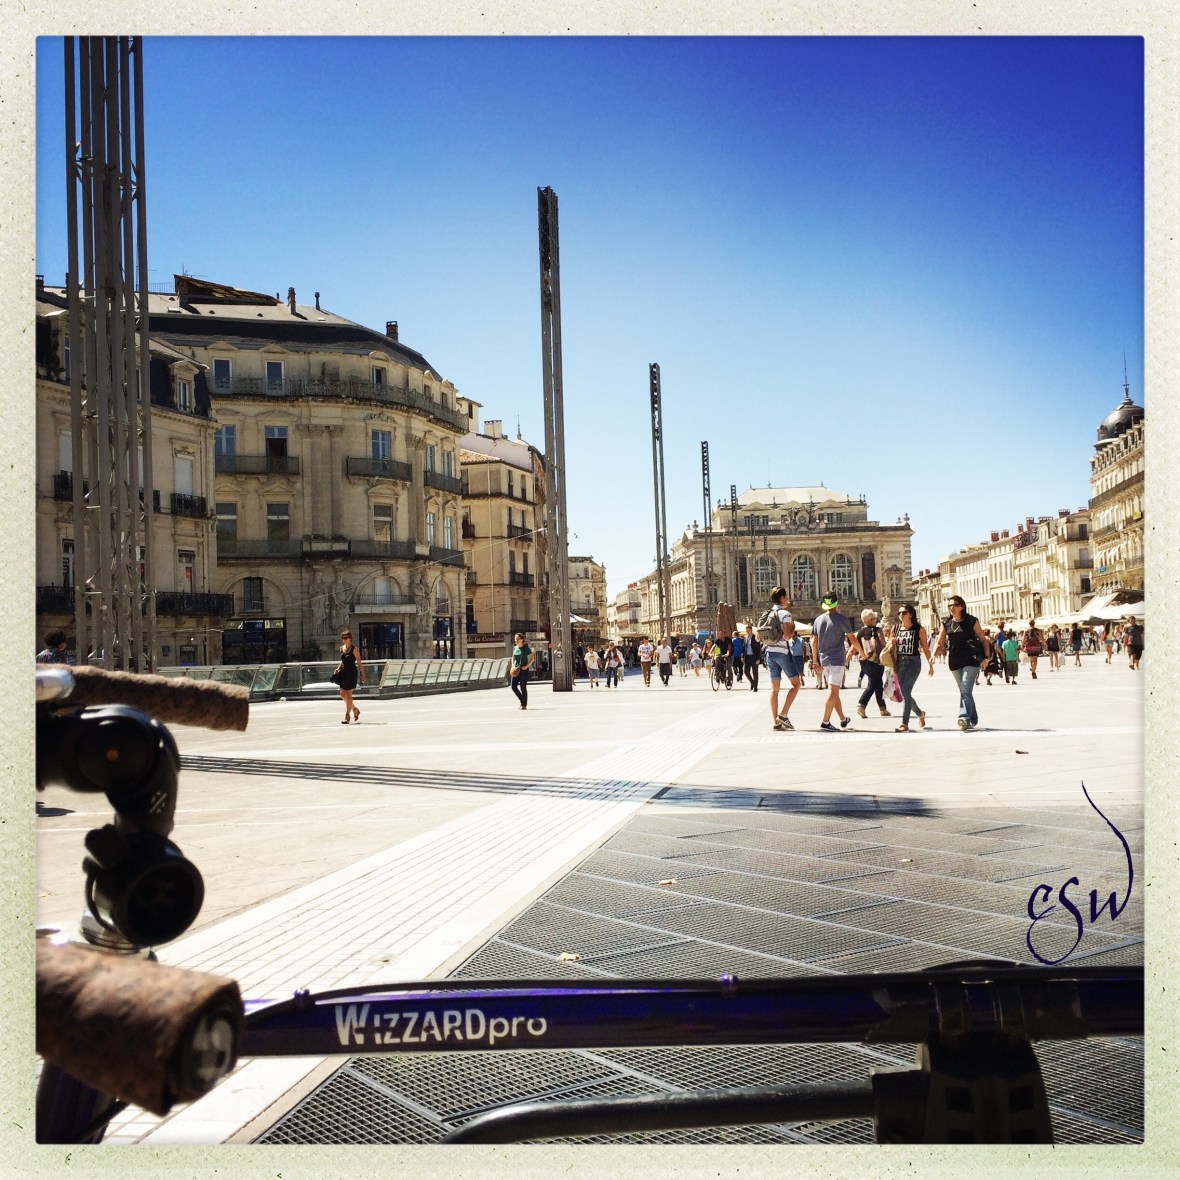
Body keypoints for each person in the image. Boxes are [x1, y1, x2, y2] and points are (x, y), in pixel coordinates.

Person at [931, 596, 992, 731]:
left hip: (971, 660)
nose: (952, 608)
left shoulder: (971, 621)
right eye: (949, 606)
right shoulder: (946, 623)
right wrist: (933, 655)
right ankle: (972, 719)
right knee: (965, 691)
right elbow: (940, 642)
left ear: (962, 606)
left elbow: (983, 640)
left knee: (965, 690)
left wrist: (986, 658)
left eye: (955, 605)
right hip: (954, 661)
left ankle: (963, 717)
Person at [809, 593, 866, 731]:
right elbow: (852, 638)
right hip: (837, 659)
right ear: (837, 604)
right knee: (833, 690)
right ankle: (825, 722)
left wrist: (815, 660)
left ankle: (842, 719)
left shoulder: (818, 620)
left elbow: (813, 641)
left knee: (834, 691)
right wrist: (862, 652)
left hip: (824, 660)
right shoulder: (841, 619)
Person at [891, 604, 934, 731]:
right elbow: (889, 646)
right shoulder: (895, 628)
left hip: (913, 663)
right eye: (899, 613)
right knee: (906, 693)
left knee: (905, 692)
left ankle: (904, 723)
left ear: (910, 614)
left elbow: (925, 648)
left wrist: (930, 665)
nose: (901, 615)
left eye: (904, 613)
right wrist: (891, 641)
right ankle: (920, 714)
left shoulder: (918, 629)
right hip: (899, 663)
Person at [763, 587, 800, 731]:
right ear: (782, 598)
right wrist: (792, 628)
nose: (788, 599)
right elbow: (787, 636)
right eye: (786, 597)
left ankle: (776, 722)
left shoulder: (767, 613)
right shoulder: (785, 614)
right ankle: (783, 714)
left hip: (770, 652)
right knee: (796, 684)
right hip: (782, 653)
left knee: (774, 689)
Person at [854, 609, 891, 719]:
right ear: (869, 620)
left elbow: (855, 647)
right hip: (877, 661)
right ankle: (861, 706)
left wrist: (847, 658)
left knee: (878, 684)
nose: (875, 620)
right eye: (874, 618)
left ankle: (882, 709)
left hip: (865, 662)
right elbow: (883, 644)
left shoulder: (859, 633)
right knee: (872, 684)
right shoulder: (877, 630)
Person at [335, 629, 365, 723]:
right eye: (342, 638)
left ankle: (347, 716)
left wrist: (363, 675)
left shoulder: (354, 649)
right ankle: (355, 709)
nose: (344, 639)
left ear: (350, 638)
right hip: (343, 673)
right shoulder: (341, 648)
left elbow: (359, 663)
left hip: (352, 673)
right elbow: (343, 661)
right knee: (342, 693)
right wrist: (338, 668)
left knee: (348, 693)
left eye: (345, 638)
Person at [509, 631, 535, 708]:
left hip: (523, 670)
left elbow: (532, 658)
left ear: (522, 639)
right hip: (516, 669)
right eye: (515, 639)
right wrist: (512, 666)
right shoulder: (515, 647)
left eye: (517, 639)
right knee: (513, 686)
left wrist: (527, 666)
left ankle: (524, 704)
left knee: (523, 687)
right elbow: (513, 657)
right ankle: (522, 700)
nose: (516, 640)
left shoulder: (525, 648)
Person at [743, 624, 761, 692]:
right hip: (747, 657)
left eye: (748, 630)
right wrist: (742, 656)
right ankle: (752, 682)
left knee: (755, 673)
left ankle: (755, 687)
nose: (747, 631)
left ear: (751, 630)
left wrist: (758, 658)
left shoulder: (755, 637)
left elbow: (758, 648)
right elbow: (744, 647)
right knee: (746, 671)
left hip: (754, 657)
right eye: (746, 630)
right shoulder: (745, 637)